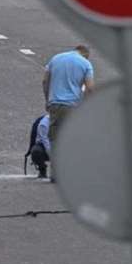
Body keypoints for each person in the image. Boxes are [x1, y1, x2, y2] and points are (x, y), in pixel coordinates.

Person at [43, 45, 94, 180]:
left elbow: (45, 81)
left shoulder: (55, 59)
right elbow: (89, 88)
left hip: (54, 104)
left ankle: (55, 172)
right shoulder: (85, 64)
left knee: (54, 138)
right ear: (85, 55)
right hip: (73, 106)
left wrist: (47, 99)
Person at [24, 114, 51, 178]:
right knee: (36, 151)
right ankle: (42, 170)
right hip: (48, 148)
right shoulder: (44, 124)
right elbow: (47, 144)